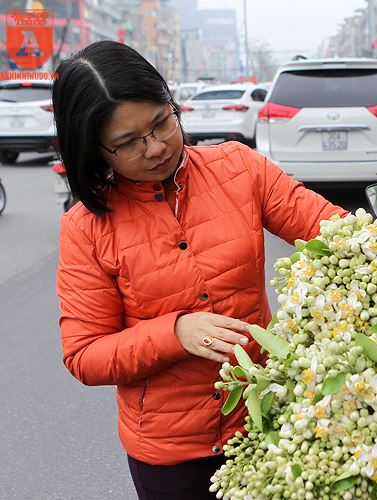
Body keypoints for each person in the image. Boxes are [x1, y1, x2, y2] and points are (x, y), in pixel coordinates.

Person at [53, 41, 347, 499]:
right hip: (170, 454)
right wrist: (176, 332)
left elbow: (331, 230)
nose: (155, 148)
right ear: (95, 151)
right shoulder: (85, 228)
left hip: (263, 423)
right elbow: (85, 355)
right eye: (128, 143)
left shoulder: (238, 168)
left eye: (161, 123)